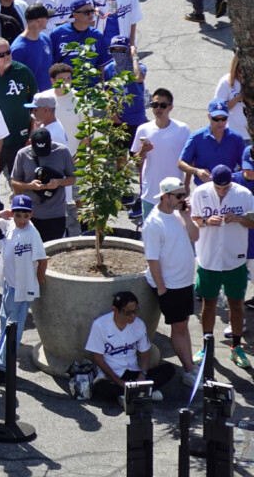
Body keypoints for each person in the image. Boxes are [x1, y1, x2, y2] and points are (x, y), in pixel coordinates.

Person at [190, 165, 254, 367]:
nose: (222, 192)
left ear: (231, 182)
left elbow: (253, 222)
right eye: (218, 187)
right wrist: (207, 221)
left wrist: (240, 219)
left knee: (236, 304)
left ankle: (236, 347)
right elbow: (192, 220)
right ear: (212, 183)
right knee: (208, 304)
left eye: (226, 188)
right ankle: (206, 346)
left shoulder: (244, 194)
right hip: (208, 259)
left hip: (234, 259)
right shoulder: (200, 193)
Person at [0, 195, 46, 376]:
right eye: (18, 215)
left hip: (22, 289)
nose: (22, 220)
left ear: (31, 214)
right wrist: (4, 213)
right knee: (3, 322)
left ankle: (4, 368)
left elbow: (42, 259)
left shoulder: (32, 233)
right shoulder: (10, 224)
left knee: (13, 329)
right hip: (9, 285)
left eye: (26, 215)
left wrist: (38, 280)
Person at [142, 177, 198, 380]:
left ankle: (189, 365)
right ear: (165, 196)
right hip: (171, 285)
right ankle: (189, 371)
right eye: (179, 195)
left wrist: (188, 216)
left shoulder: (178, 214)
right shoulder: (153, 223)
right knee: (179, 326)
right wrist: (162, 288)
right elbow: (152, 260)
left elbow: (194, 237)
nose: (183, 199)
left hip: (184, 282)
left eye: (184, 194)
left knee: (183, 325)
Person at [85, 290, 173, 407]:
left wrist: (143, 374)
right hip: (112, 374)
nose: (133, 316)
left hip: (133, 372)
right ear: (116, 310)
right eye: (128, 313)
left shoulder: (139, 324)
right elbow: (98, 358)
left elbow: (144, 353)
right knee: (100, 385)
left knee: (169, 369)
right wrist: (118, 381)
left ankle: (129, 394)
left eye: (135, 311)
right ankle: (144, 392)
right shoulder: (100, 325)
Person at [131, 88, 191, 217]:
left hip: (175, 193)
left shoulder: (182, 129)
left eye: (163, 105)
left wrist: (186, 185)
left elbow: (190, 159)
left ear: (170, 107)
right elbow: (136, 161)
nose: (158, 108)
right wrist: (143, 151)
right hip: (150, 192)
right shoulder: (143, 129)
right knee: (149, 233)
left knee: (174, 233)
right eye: (155, 105)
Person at [179, 100, 246, 191]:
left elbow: (245, 165)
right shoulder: (196, 138)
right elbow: (181, 163)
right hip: (204, 190)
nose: (220, 122)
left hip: (228, 189)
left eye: (224, 119)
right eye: (216, 119)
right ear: (209, 117)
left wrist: (235, 178)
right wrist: (196, 171)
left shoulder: (236, 139)